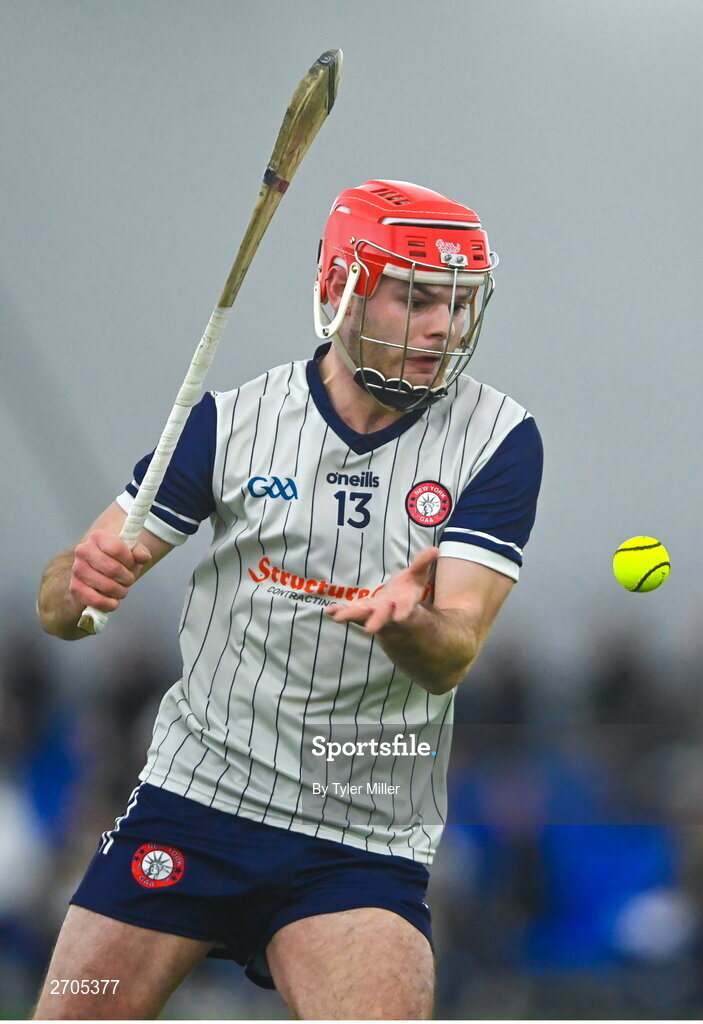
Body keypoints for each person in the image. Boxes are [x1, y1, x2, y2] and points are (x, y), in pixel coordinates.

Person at [35, 179, 543, 1020]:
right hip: (193, 804)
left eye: (455, 304)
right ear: (341, 291)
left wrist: (406, 623)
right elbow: (69, 606)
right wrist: (74, 585)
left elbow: (453, 652)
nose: (442, 328)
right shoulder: (230, 422)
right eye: (415, 300)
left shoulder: (498, 439)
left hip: (360, 834)